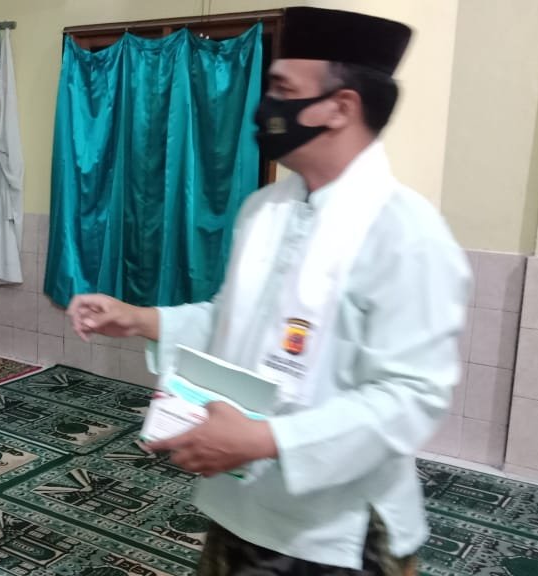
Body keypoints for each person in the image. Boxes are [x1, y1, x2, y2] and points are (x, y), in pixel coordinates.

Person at [67, 7, 470, 576]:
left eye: (283, 89)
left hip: (340, 528)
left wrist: (267, 439)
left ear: (341, 107)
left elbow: (411, 397)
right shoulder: (265, 208)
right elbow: (235, 321)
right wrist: (140, 319)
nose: (266, 105)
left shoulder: (407, 233)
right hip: (243, 500)